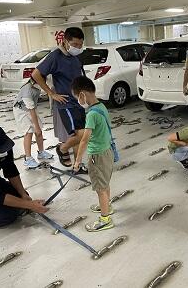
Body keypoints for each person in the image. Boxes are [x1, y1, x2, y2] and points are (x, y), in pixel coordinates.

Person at [0, 124, 49, 228]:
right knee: (5, 216)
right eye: (0, 151)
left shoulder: (4, 146)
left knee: (21, 198)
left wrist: (23, 194)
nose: (4, 153)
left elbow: (10, 170)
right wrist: (30, 205)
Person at [32, 27, 87, 172]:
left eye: (80, 44)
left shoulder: (76, 56)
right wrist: (51, 93)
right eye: (75, 44)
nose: (78, 47)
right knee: (79, 134)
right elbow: (36, 74)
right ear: (65, 41)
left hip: (79, 101)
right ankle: (62, 149)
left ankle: (77, 165)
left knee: (80, 135)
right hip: (66, 103)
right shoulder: (55, 56)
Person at [72, 76, 115, 232]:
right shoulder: (101, 107)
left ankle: (105, 219)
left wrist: (77, 161)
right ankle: (107, 207)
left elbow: (84, 140)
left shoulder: (91, 115)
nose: (78, 100)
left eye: (77, 97)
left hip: (97, 156)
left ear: (83, 94)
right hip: (107, 151)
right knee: (105, 183)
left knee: (100, 189)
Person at [13, 79, 54, 168]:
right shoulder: (27, 90)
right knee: (29, 132)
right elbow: (31, 110)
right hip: (21, 110)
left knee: (39, 131)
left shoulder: (37, 87)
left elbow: (33, 109)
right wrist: (36, 126)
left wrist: (38, 127)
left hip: (31, 109)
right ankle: (28, 159)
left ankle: (41, 152)